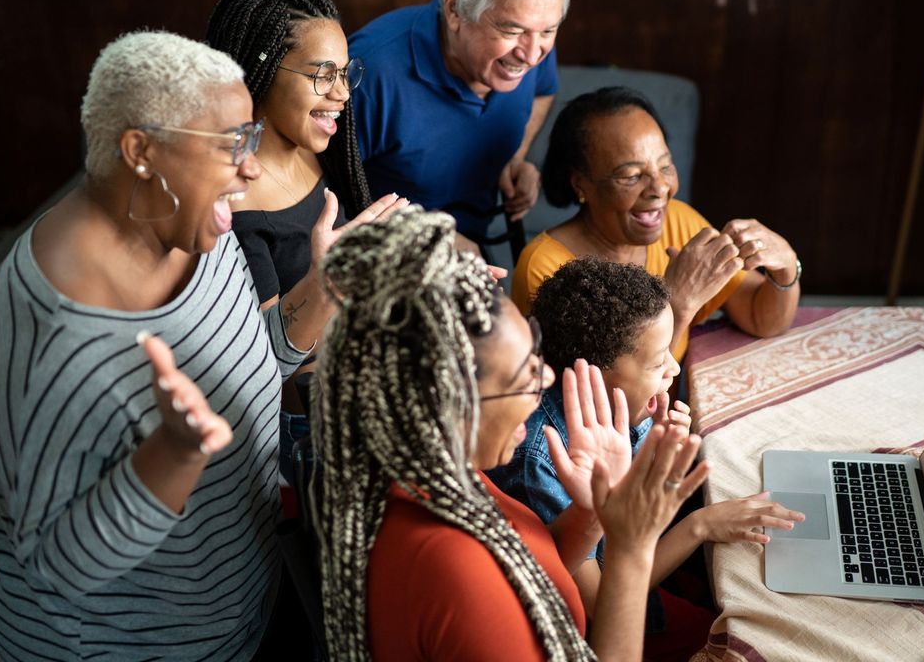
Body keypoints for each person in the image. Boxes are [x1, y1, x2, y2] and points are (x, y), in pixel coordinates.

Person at [0, 30, 336, 660]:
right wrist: (174, 454)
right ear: (141, 150)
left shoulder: (200, 232)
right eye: (231, 144)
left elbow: (253, 364)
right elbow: (59, 565)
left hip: (243, 591)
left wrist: (323, 293)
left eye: (252, 138)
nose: (251, 171)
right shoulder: (43, 331)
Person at [308, 208, 710, 661]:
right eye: (522, 376)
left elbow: (545, 557)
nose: (544, 381)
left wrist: (594, 509)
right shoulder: (461, 576)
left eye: (533, 354)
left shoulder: (441, 474)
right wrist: (633, 549)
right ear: (451, 404)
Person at [490, 257, 804, 661]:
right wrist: (700, 525)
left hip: (641, 564)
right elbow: (601, 604)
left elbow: (637, 500)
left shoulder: (627, 403)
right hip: (603, 620)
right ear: (597, 375)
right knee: (733, 637)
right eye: (658, 362)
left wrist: (659, 444)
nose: (674, 368)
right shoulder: (541, 458)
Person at [206, 0, 406, 482]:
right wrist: (331, 284)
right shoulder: (233, 209)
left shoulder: (320, 148)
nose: (342, 93)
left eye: (345, 73)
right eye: (322, 75)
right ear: (261, 70)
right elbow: (273, 366)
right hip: (318, 427)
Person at [513, 86, 802, 361]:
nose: (660, 188)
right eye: (631, 176)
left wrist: (786, 264)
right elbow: (612, 401)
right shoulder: (548, 269)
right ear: (581, 184)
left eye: (665, 167)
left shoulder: (678, 221)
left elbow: (760, 318)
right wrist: (678, 300)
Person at [348, 0, 583, 245]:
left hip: (474, 247)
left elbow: (543, 92)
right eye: (511, 29)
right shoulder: (370, 74)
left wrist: (512, 156)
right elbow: (310, 195)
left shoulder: (528, 50)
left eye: (548, 30)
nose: (532, 55)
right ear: (455, 9)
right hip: (381, 258)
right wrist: (432, 240)